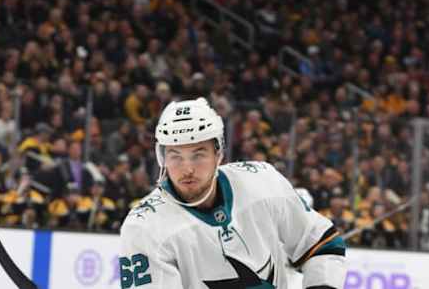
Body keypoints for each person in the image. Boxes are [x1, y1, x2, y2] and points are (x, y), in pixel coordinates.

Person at [120, 98, 346, 289]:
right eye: (175, 155)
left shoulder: (262, 181)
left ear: (218, 153)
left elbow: (322, 244)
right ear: (162, 158)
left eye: (198, 154)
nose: (187, 169)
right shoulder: (143, 227)